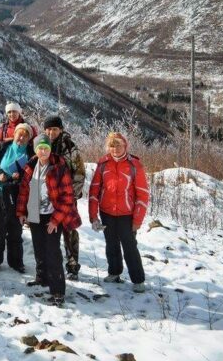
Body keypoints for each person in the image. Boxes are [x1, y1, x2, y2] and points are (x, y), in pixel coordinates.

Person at [16, 136, 81, 307]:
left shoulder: (59, 167)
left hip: (53, 215)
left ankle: (57, 290)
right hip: (35, 214)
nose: (43, 151)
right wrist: (21, 212)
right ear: (35, 150)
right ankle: (42, 277)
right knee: (39, 247)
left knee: (53, 252)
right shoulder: (31, 166)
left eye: (46, 148)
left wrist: (55, 221)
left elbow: (68, 198)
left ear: (50, 149)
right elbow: (24, 191)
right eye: (40, 148)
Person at [88, 132, 149, 293]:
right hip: (107, 212)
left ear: (125, 146)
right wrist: (93, 216)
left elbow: (143, 194)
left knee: (130, 247)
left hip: (127, 214)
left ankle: (138, 280)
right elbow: (94, 190)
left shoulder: (134, 165)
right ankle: (114, 273)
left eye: (118, 145)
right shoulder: (103, 164)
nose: (115, 149)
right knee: (111, 244)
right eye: (112, 145)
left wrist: (137, 220)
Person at [43, 115, 86, 281]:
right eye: (48, 129)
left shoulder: (70, 147)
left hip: (66, 197)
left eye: (54, 129)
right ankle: (48, 264)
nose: (51, 132)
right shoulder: (41, 144)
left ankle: (72, 266)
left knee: (69, 231)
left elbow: (80, 172)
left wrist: (71, 196)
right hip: (46, 198)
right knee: (48, 230)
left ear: (60, 129)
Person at [0, 123, 33, 273]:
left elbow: (32, 176)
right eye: (20, 134)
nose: (21, 137)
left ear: (29, 138)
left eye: (25, 135)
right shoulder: (3, 147)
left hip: (17, 197)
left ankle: (16, 262)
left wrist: (19, 178)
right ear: (15, 134)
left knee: (15, 230)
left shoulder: (31, 153)